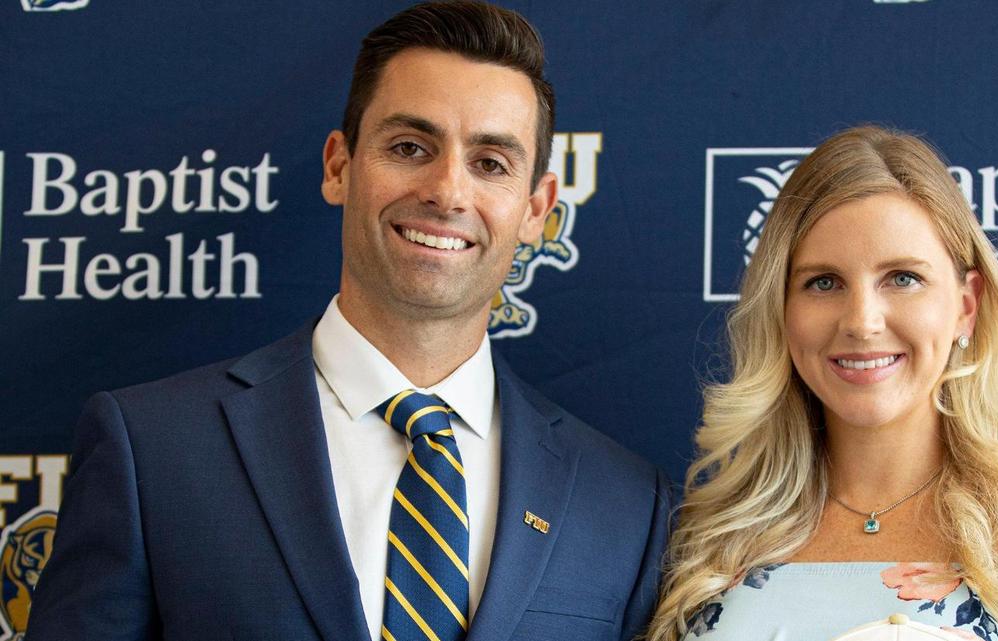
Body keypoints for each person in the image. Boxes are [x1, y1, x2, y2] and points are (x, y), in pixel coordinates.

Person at [26, 3, 671, 641]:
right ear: (340, 166)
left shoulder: (627, 504)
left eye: (491, 164)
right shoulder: (151, 450)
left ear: (536, 209)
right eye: (410, 146)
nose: (447, 191)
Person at [646, 126, 998, 641]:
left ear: (966, 307)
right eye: (823, 282)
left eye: (903, 278)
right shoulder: (708, 543)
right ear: (782, 311)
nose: (861, 321)